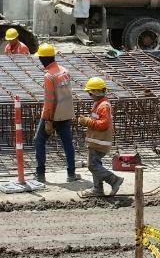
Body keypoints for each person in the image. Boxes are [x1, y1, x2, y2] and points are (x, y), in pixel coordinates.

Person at [33, 43, 81, 183]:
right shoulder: (64, 71)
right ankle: (71, 174)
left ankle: (40, 173)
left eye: (40, 58)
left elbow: (49, 100)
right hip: (66, 113)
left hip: (53, 115)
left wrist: (48, 120)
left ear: (43, 59)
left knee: (39, 140)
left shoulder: (49, 76)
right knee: (67, 143)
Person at [78, 77, 124, 197]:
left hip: (100, 142)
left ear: (97, 91)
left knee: (92, 165)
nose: (89, 94)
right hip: (96, 141)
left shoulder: (103, 106)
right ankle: (97, 189)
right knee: (95, 165)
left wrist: (87, 122)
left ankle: (114, 180)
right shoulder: (99, 104)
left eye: (90, 92)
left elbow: (104, 124)